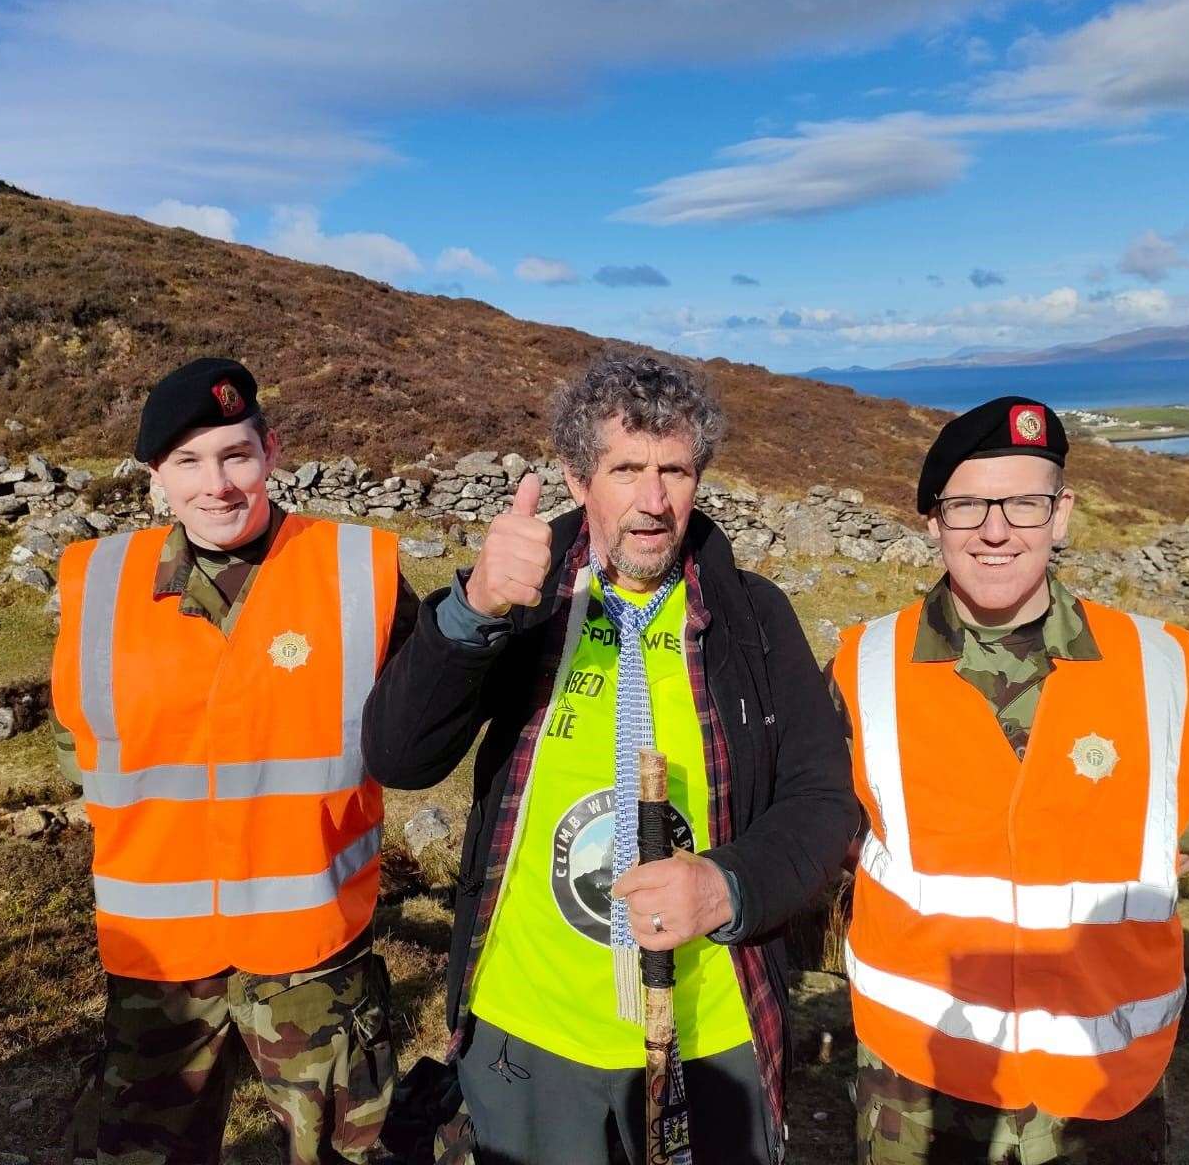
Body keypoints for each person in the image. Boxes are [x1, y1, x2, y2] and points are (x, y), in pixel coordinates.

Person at [363, 351, 858, 1164]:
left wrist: (726, 885)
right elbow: (399, 754)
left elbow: (820, 801)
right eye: (626, 469)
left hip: (712, 1033)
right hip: (530, 1032)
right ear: (575, 477)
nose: (654, 502)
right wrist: (469, 611)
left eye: (676, 470)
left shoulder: (754, 618)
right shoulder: (522, 601)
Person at [833, 396, 1189, 1165]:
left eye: (1024, 503)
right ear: (933, 521)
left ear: (1061, 514)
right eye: (967, 506)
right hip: (918, 1091)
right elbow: (827, 835)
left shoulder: (1165, 666)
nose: (996, 530)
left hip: (1104, 1097)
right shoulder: (859, 668)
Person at [50, 356, 411, 1164]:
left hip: (312, 952)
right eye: (188, 461)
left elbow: (425, 727)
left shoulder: (359, 571)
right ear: (155, 476)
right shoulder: (94, 581)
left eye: (235, 454)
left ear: (271, 452)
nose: (216, 484)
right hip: (156, 964)